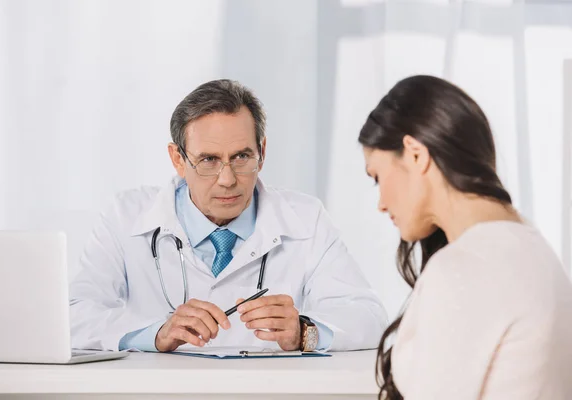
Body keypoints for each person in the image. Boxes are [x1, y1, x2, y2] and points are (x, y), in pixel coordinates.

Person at [70, 79, 388, 353]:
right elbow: (73, 316)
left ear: (261, 153)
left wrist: (304, 332)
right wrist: (154, 334)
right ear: (177, 159)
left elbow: (369, 317)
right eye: (208, 159)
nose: (227, 179)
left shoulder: (306, 218)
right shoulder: (125, 216)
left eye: (241, 157)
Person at [359, 75, 572, 399]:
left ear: (415, 154)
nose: (381, 203)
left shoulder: (465, 269)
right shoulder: (535, 251)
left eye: (377, 176)